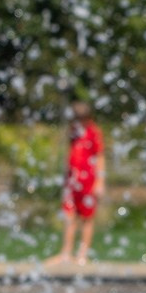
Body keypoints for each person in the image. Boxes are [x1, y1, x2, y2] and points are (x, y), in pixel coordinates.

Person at [46, 100, 106, 266]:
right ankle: (66, 253)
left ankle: (82, 254)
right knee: (69, 216)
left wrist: (100, 182)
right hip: (72, 181)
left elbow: (100, 156)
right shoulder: (74, 131)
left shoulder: (94, 132)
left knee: (87, 218)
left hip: (89, 181)